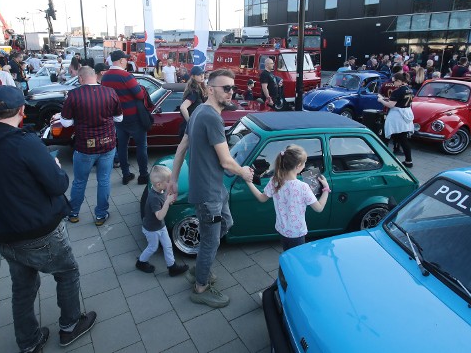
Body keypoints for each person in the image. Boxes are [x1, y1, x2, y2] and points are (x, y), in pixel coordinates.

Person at [0, 85, 97, 353]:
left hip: (1, 231)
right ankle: (70, 326)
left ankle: (29, 342)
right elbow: (57, 185)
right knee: (66, 272)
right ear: (22, 111)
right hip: (38, 229)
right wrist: (55, 168)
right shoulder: (24, 142)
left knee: (22, 286)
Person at [168, 69, 253, 308]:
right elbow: (226, 161)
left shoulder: (197, 112)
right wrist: (244, 172)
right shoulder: (211, 117)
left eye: (232, 88)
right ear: (212, 88)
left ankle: (199, 270)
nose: (231, 92)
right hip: (209, 194)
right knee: (210, 242)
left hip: (216, 188)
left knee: (226, 225)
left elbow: (181, 148)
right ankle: (201, 288)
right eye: (226, 88)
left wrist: (174, 180)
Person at [60, 67, 122, 226]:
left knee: (80, 181)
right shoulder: (110, 92)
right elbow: (119, 118)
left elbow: (65, 123)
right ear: (95, 76)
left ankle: (73, 213)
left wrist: (77, 119)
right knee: (104, 180)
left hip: (85, 146)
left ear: (80, 78)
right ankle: (101, 215)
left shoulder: (73, 95)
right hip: (108, 143)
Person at [245, 144, 330, 251]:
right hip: (297, 233)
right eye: (304, 163)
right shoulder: (303, 187)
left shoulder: (275, 181)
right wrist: (326, 189)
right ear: (298, 166)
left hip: (282, 230)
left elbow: (262, 198)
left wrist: (249, 182)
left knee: (287, 254)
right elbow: (319, 208)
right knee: (296, 260)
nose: (305, 165)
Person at [102, 50, 153, 185]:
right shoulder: (126, 76)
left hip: (118, 118)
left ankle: (126, 174)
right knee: (141, 146)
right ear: (120, 61)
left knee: (122, 147)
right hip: (134, 118)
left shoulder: (105, 77)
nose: (127, 61)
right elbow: (140, 95)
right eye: (125, 59)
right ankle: (143, 175)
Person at [135, 165, 189, 275]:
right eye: (168, 181)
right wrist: (167, 202)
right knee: (152, 247)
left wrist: (167, 199)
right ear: (159, 184)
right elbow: (159, 216)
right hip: (152, 229)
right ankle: (141, 261)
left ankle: (172, 267)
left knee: (168, 245)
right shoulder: (153, 198)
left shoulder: (159, 190)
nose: (170, 183)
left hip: (160, 226)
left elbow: (163, 200)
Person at [378, 72, 414, 168]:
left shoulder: (397, 91)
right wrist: (388, 99)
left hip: (396, 117)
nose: (393, 84)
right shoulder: (409, 90)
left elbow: (391, 105)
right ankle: (408, 160)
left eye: (394, 82)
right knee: (403, 139)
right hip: (406, 115)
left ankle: (382, 159)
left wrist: (381, 100)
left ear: (399, 81)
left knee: (385, 136)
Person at [179, 66, 207, 138]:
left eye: (202, 73)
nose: (202, 76)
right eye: (199, 74)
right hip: (191, 128)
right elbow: (183, 107)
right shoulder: (194, 91)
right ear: (193, 76)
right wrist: (190, 122)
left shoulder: (198, 88)